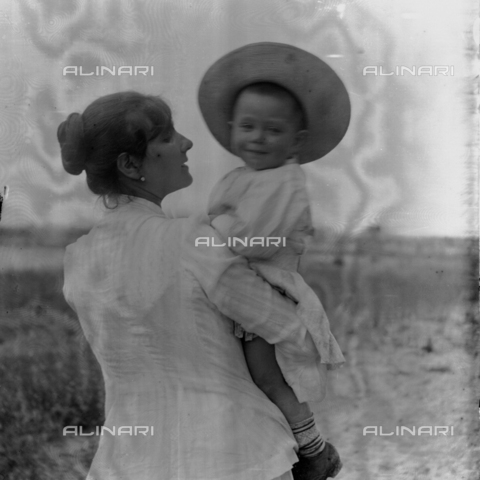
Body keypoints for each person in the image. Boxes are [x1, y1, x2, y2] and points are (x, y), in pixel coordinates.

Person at [57, 90, 340, 480]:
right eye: (168, 136)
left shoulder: (77, 258)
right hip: (232, 453)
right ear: (129, 163)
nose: (187, 142)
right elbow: (282, 325)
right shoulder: (192, 239)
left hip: (127, 461)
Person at [198, 42, 351, 479]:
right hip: (241, 282)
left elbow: (255, 239)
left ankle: (313, 448)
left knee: (266, 375)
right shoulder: (245, 177)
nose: (258, 138)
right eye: (248, 127)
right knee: (239, 373)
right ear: (231, 130)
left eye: (272, 130)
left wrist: (209, 235)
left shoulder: (285, 182)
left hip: (267, 290)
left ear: (296, 141)